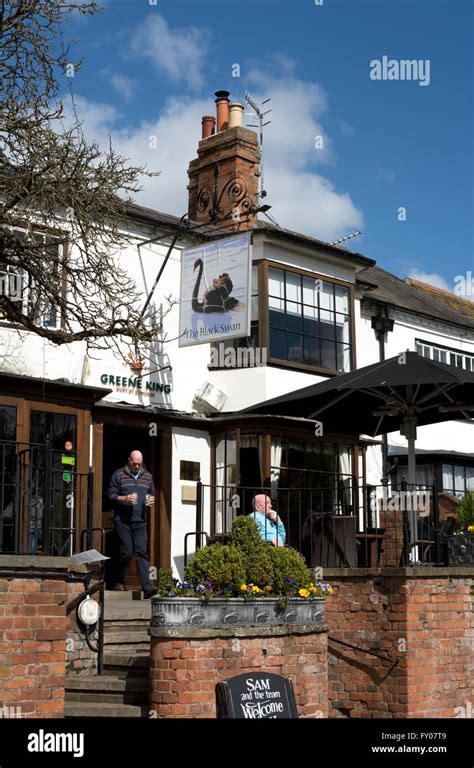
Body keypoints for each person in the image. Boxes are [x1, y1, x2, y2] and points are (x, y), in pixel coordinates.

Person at [107, 450, 157, 598]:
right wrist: (124, 498)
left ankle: (147, 587)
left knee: (142, 552)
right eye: (134, 463)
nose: (137, 466)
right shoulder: (118, 475)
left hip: (140, 521)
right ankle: (119, 582)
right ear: (129, 460)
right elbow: (110, 495)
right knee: (126, 552)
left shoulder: (147, 476)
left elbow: (151, 493)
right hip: (123, 521)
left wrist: (150, 500)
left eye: (139, 464)